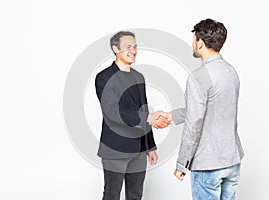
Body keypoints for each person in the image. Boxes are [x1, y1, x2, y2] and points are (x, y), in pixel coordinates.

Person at [154, 19, 244, 199]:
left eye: (194, 40)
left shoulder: (199, 77)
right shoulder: (231, 71)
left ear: (200, 43)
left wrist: (182, 164)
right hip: (232, 161)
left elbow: (195, 123)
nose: (193, 44)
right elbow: (211, 110)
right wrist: (171, 115)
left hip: (208, 165)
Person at [95, 31, 163, 200]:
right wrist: (147, 118)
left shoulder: (139, 76)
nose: (133, 51)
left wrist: (150, 147)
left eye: (135, 46)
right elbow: (111, 111)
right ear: (115, 48)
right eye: (128, 47)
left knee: (136, 195)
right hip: (115, 149)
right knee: (112, 195)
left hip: (139, 150)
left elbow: (144, 111)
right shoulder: (103, 77)